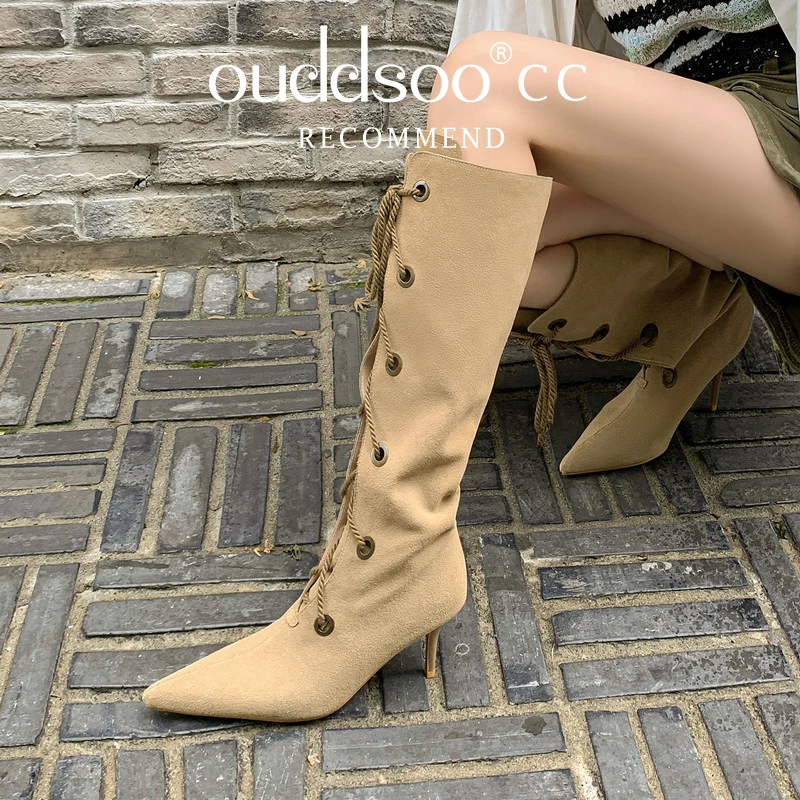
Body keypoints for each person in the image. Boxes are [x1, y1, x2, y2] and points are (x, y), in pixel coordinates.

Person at [141, 0, 799, 721]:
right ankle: (698, 314)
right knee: (457, 242)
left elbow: (490, 79)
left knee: (493, 85)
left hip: (782, 134)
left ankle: (390, 563)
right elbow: (476, 137)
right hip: (707, 137)